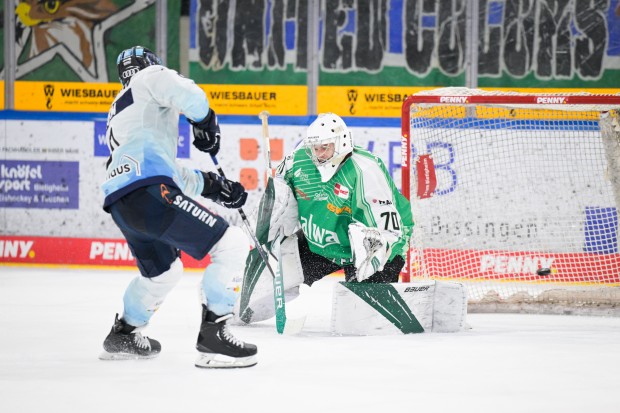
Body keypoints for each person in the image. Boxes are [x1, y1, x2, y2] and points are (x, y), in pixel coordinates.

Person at [99, 46, 257, 368]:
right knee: (232, 245)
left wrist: (214, 186)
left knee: (164, 273)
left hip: (123, 201)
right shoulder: (150, 77)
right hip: (148, 192)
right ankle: (215, 334)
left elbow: (165, 171)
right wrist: (206, 121)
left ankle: (124, 333)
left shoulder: (119, 108)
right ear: (151, 65)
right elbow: (192, 96)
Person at [238, 112, 414, 323]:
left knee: (362, 320)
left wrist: (376, 255)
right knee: (257, 289)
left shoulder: (364, 170)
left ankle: (372, 294)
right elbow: (281, 204)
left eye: (325, 147)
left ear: (341, 143)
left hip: (368, 247)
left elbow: (391, 231)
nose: (319, 154)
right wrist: (270, 217)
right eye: (315, 148)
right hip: (320, 244)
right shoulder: (297, 162)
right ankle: (235, 313)